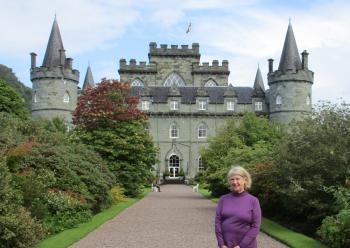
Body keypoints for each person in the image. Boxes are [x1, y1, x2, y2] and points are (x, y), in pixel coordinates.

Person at [215, 166, 261, 248]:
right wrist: (221, 244)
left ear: (245, 180)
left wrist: (241, 246)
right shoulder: (223, 199)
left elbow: (255, 227)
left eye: (237, 179)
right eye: (232, 179)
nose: (235, 182)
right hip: (226, 245)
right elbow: (218, 223)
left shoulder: (253, 201)